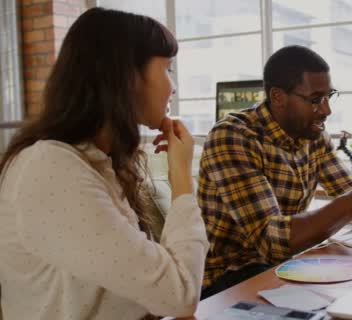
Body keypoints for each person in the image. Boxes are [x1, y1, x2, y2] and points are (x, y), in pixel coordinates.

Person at [0, 8, 208, 319]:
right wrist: (181, 179)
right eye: (168, 69)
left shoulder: (97, 162)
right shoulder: (50, 168)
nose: (172, 86)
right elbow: (179, 296)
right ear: (126, 76)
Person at [197, 45, 352, 298]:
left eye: (329, 96)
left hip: (279, 266)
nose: (327, 110)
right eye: (316, 99)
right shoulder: (233, 136)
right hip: (225, 280)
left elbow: (348, 193)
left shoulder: (312, 135)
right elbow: (273, 242)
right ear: (277, 97)